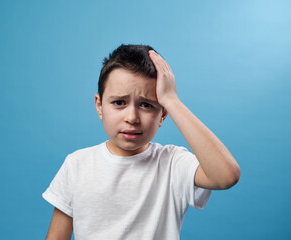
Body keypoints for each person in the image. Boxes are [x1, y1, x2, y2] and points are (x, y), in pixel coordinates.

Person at [42, 44, 240, 240]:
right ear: (99, 105)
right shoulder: (77, 165)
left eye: (146, 105)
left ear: (163, 115)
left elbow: (226, 175)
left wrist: (171, 100)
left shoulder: (173, 163)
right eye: (119, 102)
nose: (132, 117)